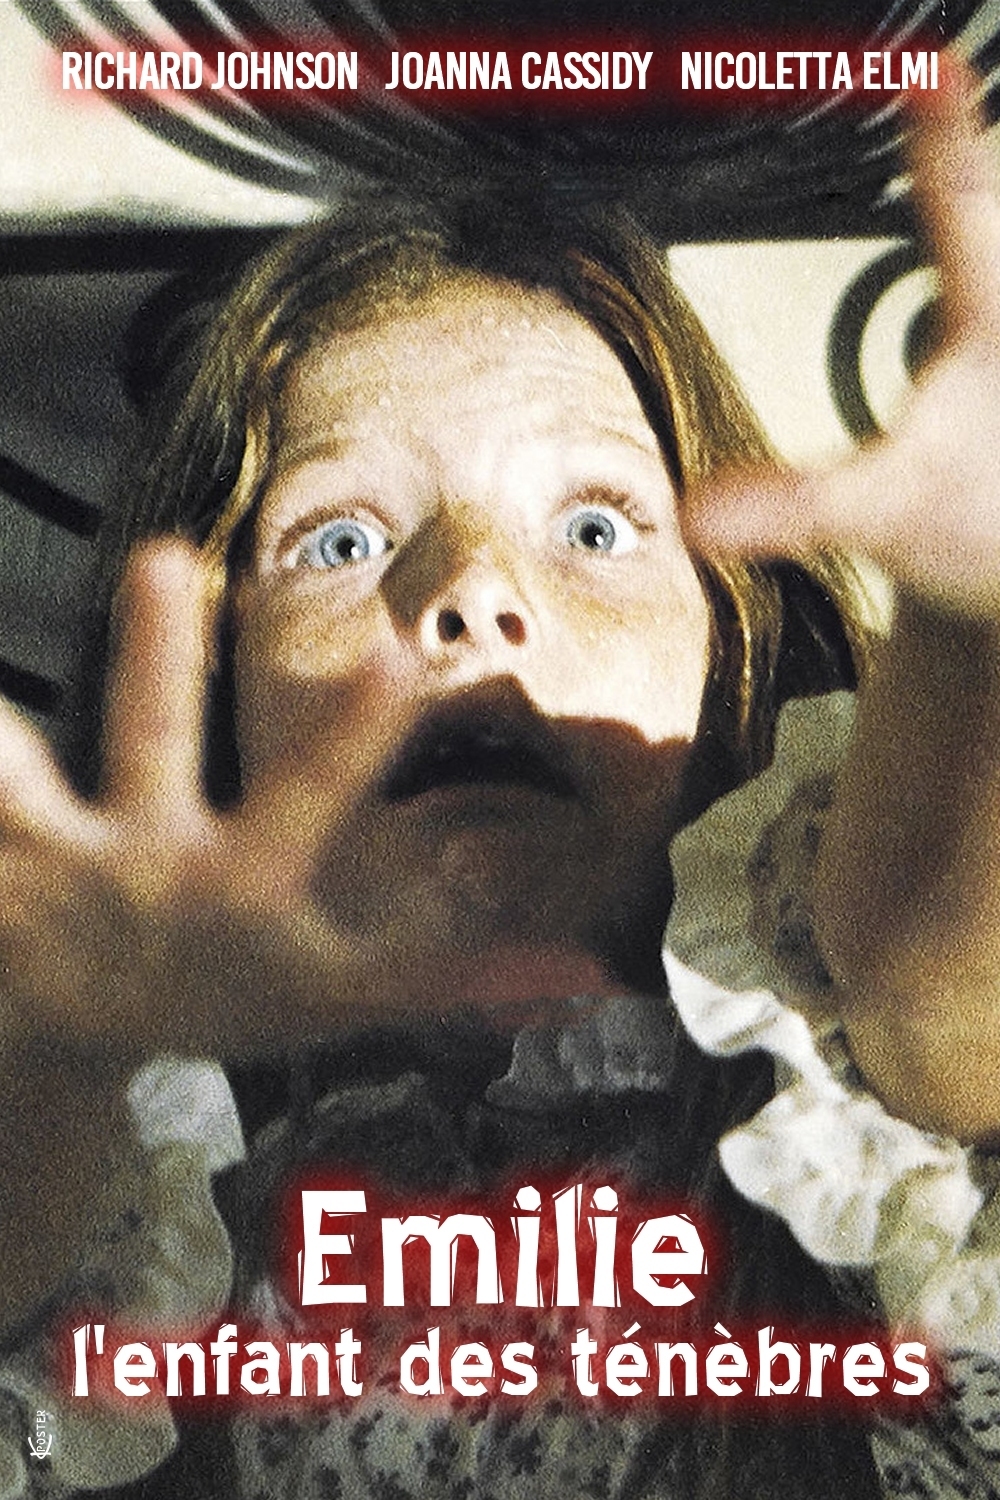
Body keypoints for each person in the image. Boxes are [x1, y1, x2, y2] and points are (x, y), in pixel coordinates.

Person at [0, 58, 998, 1500]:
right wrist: (59, 1048)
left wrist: (969, 633)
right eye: (341, 541)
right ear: (214, 691)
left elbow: (932, 1005)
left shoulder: (841, 1090)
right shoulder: (133, 1195)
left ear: (738, 652)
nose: (470, 590)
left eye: (595, 527)